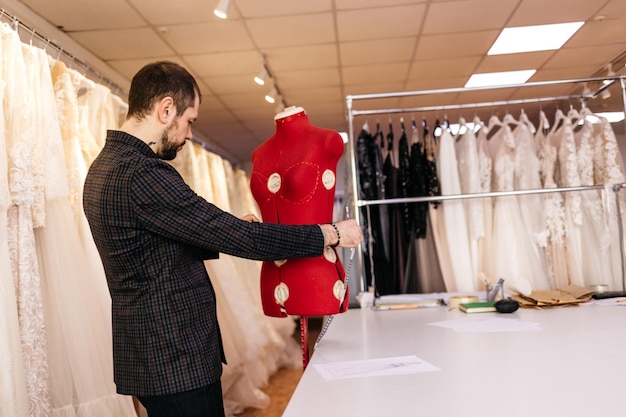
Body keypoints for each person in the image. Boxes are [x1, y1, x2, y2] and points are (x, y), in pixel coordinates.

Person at [82, 61, 363, 417]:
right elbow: (244, 239)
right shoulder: (144, 174)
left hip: (147, 353)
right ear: (165, 109)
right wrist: (331, 233)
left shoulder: (104, 166)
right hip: (175, 357)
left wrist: (223, 228)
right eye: (189, 122)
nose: (188, 135)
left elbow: (148, 243)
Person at [250, 106, 349, 317]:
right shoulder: (258, 154)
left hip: (316, 271)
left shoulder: (327, 140)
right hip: (272, 272)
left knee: (318, 347)